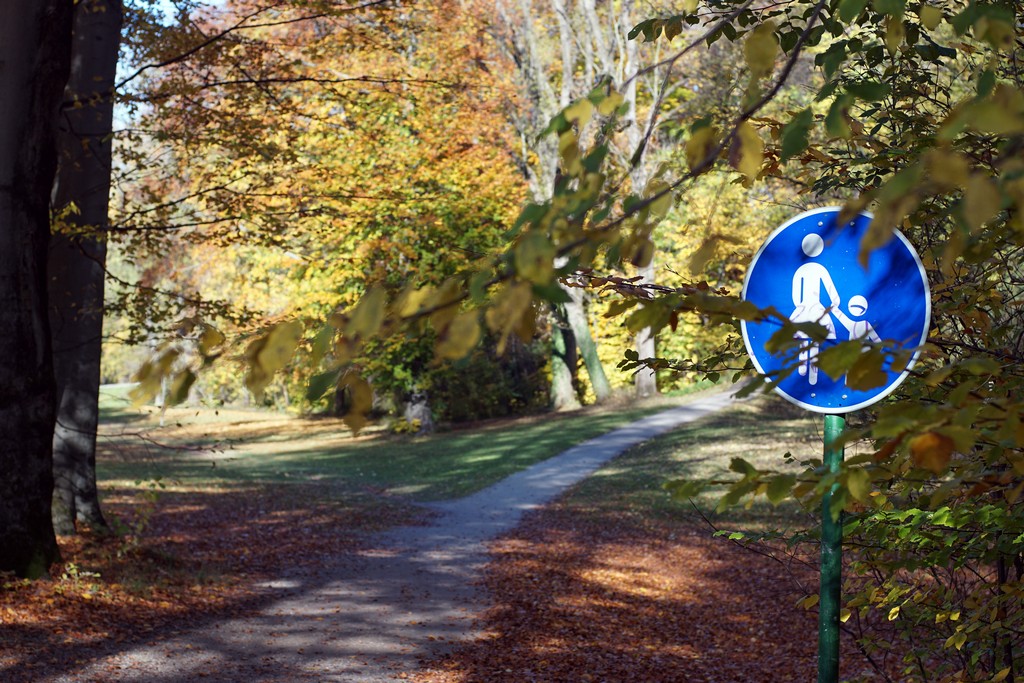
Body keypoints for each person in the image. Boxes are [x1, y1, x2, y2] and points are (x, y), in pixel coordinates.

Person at [789, 233, 840, 385]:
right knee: (816, 338)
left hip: (805, 307)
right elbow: (832, 291)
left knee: (803, 337)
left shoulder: (802, 270)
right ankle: (812, 372)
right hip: (815, 308)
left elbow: (796, 296)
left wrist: (800, 306)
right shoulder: (819, 269)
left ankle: (803, 368)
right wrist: (835, 303)